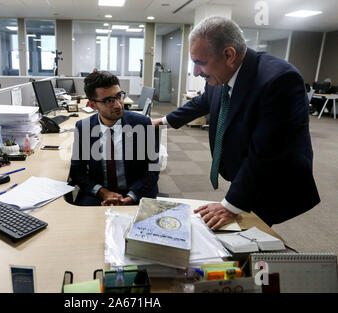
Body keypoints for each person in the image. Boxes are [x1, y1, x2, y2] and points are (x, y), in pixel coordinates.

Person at [152, 16, 320, 229]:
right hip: (247, 175)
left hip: (274, 182)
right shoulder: (221, 73)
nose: (195, 72)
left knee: (254, 236)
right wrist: (164, 121)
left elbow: (265, 154)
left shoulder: (279, 81)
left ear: (229, 55)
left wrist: (230, 205)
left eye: (199, 63)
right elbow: (205, 101)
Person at [70, 71, 159, 206]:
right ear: (93, 105)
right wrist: (102, 192)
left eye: (119, 96)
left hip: (137, 192)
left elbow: (152, 168)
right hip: (99, 194)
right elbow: (78, 171)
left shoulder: (142, 123)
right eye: (108, 101)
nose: (118, 105)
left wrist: (130, 197)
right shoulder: (84, 127)